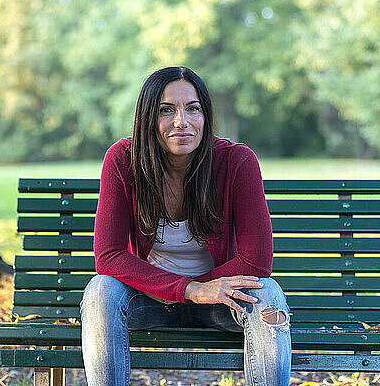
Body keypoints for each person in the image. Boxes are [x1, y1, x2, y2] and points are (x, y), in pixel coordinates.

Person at [80, 66, 291, 386]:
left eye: (193, 109)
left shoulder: (238, 161)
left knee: (269, 294)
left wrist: (202, 291)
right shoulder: (123, 159)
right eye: (167, 110)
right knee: (100, 290)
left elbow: (256, 261)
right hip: (151, 300)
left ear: (205, 117)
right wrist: (187, 289)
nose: (182, 121)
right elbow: (108, 256)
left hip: (220, 301)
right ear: (148, 118)